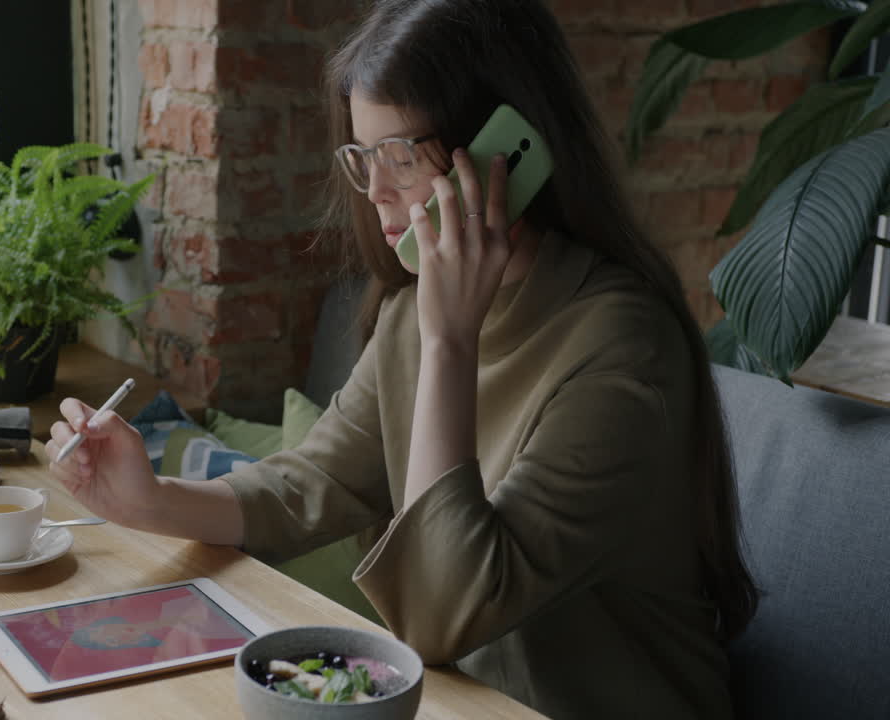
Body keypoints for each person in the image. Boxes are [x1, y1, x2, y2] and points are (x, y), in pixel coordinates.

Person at [47, 1, 758, 717]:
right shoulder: (409, 315)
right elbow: (314, 480)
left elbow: (436, 613)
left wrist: (451, 340)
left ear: (506, 150)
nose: (377, 190)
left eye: (400, 155)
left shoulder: (624, 348)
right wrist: (149, 501)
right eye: (362, 156)